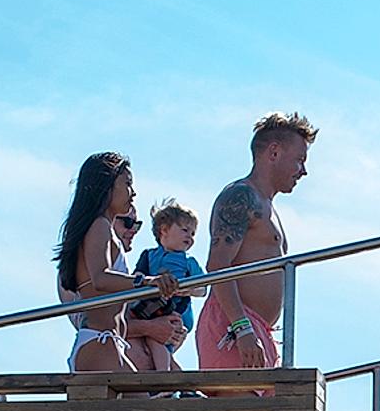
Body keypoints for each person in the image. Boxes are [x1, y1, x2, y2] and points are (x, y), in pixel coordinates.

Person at [198, 112, 316, 370]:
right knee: (243, 399)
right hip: (234, 327)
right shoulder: (241, 195)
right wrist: (242, 327)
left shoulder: (268, 207)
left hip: (256, 331)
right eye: (299, 160)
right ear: (274, 152)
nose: (303, 171)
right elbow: (217, 265)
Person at [53, 152, 183, 372]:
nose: (133, 192)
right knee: (140, 394)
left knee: (145, 393)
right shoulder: (99, 225)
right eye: (127, 183)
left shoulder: (103, 229)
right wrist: (147, 282)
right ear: (107, 186)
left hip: (108, 343)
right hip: (100, 343)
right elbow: (100, 278)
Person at [130, 199, 207, 372]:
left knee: (158, 340)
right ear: (164, 230)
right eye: (185, 230)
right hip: (152, 309)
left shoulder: (188, 262)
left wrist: (187, 289)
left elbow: (203, 288)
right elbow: (137, 276)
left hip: (177, 310)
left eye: (193, 233)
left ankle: (163, 375)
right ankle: (170, 372)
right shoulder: (149, 255)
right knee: (150, 341)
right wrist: (148, 281)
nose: (190, 237)